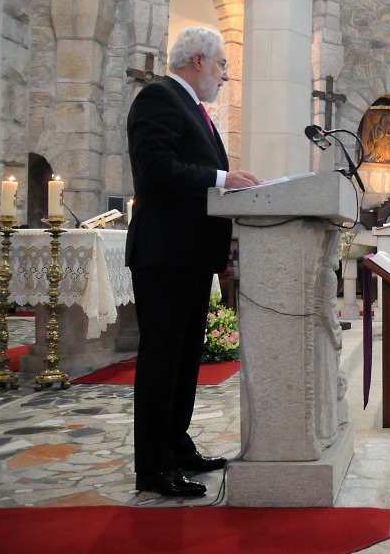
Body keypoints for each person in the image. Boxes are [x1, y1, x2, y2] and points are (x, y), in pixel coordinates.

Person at [126, 26, 261, 498]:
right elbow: (156, 169)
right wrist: (225, 178)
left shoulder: (193, 109)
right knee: (163, 359)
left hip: (187, 255)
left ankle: (177, 446)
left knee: (184, 361)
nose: (224, 76)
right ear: (200, 60)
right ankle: (153, 466)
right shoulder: (159, 98)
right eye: (222, 65)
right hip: (164, 253)